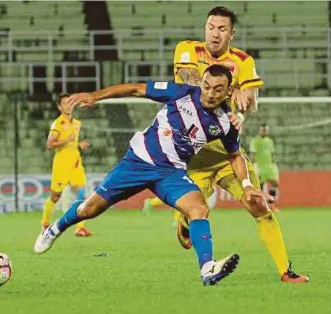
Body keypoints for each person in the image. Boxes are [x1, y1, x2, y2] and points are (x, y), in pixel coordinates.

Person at [35, 65, 270, 286]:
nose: (210, 93)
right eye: (206, 86)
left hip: (171, 173)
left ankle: (207, 267)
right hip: (138, 161)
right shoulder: (180, 93)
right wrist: (96, 96)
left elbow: (235, 155)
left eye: (218, 89)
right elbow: (136, 89)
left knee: (198, 209)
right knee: (89, 209)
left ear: (228, 91)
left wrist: (247, 184)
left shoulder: (226, 122)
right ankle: (55, 228)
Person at [142, 6, 308, 283]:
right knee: (195, 211)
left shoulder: (243, 60)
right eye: (210, 27)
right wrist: (231, 93)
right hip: (192, 157)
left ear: (232, 33)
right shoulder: (188, 50)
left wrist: (243, 107)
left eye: (221, 29)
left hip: (229, 155)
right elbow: (194, 84)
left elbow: (251, 99)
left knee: (259, 206)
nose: (214, 34)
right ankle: (184, 225)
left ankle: (284, 271)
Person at [41, 93, 92, 237]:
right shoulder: (58, 124)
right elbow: (50, 144)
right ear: (59, 107)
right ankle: (45, 223)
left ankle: (80, 227)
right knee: (55, 196)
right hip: (61, 165)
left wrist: (78, 144)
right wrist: (67, 141)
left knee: (82, 194)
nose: (68, 106)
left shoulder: (77, 123)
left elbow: (72, 142)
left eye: (70, 103)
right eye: (64, 103)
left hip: (75, 164)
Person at [249, 124, 280, 212]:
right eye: (263, 130)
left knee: (275, 184)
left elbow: (272, 154)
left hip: (269, 166)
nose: (264, 131)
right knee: (259, 187)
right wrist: (252, 166)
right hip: (259, 166)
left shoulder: (270, 141)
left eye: (265, 130)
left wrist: (274, 164)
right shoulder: (255, 141)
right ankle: (261, 206)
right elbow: (253, 154)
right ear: (260, 131)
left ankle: (271, 204)